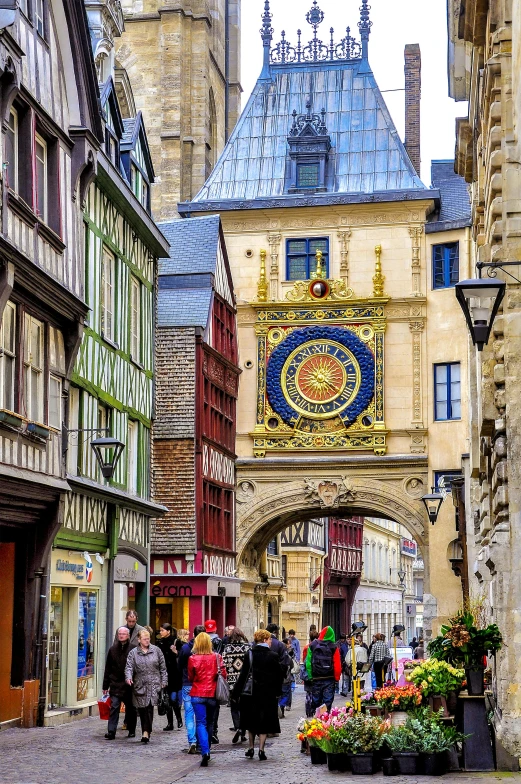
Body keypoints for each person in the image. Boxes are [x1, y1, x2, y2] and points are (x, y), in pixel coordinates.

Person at [232, 629, 285, 761]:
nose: (271, 641)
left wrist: (236, 693)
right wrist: (278, 692)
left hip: (250, 694)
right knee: (264, 722)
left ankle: (251, 748)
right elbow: (279, 676)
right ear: (265, 640)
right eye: (270, 639)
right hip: (268, 694)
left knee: (251, 721)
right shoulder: (273, 655)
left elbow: (243, 675)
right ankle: (261, 750)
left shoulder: (249, 654)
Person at [187, 631, 227, 768]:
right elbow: (224, 675)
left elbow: (191, 677)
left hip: (197, 693)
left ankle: (205, 751)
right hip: (212, 694)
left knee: (200, 723)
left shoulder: (193, 659)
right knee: (210, 723)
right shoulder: (217, 657)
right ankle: (207, 748)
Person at [125, 628, 167, 743]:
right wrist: (128, 677)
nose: (147, 641)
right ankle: (147, 730)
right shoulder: (133, 653)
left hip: (154, 683)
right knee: (142, 708)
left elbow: (163, 668)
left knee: (149, 708)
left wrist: (164, 681)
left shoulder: (156, 651)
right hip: (140, 684)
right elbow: (129, 667)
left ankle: (146, 732)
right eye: (144, 639)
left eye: (148, 639)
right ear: (139, 640)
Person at [102, 626, 137, 740]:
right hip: (115, 683)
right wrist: (105, 685)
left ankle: (131, 729)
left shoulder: (133, 649)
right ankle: (111, 731)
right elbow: (108, 668)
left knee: (130, 708)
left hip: (128, 684)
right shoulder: (112, 649)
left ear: (128, 636)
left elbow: (136, 667)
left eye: (123, 634)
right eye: (119, 634)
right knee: (114, 706)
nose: (121, 635)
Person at [178, 624, 205, 753]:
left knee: (189, 713)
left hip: (188, 683)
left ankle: (192, 741)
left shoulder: (185, 648)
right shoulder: (208, 649)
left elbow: (180, 665)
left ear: (194, 635)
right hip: (202, 684)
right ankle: (201, 741)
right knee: (202, 715)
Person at [222, 627, 250, 743]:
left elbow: (223, 664)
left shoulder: (227, 648)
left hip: (232, 683)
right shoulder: (248, 648)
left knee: (234, 707)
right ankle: (243, 730)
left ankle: (238, 726)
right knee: (244, 707)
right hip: (245, 682)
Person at [306, 626, 342, 713]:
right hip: (329, 678)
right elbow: (337, 664)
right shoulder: (333, 647)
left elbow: (308, 663)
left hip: (316, 678)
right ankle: (324, 717)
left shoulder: (313, 645)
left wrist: (311, 676)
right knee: (327, 701)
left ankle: (317, 718)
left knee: (316, 700)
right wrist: (337, 678)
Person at [156, 623, 183, 731]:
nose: (161, 632)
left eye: (162, 630)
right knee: (166, 699)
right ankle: (170, 723)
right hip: (164, 673)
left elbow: (182, 656)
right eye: (160, 630)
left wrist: (175, 652)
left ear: (168, 631)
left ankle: (179, 719)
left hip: (174, 674)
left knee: (173, 699)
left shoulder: (176, 641)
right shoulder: (160, 643)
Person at [204, 620, 223, 743]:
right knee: (215, 706)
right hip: (214, 677)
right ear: (215, 629)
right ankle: (214, 731)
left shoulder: (201, 641)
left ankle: (205, 731)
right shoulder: (219, 641)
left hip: (202, 678)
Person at [278, 638, 295, 718]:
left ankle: (279, 707)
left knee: (280, 695)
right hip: (286, 679)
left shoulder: (276, 656)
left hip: (279, 679)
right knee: (285, 695)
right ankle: (282, 707)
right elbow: (291, 666)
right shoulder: (287, 657)